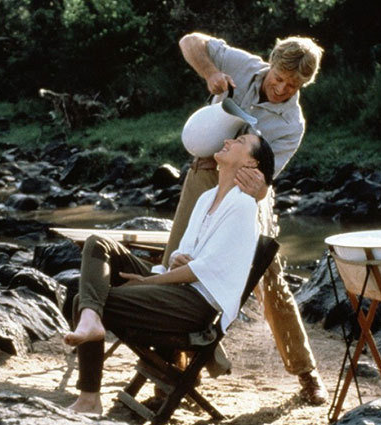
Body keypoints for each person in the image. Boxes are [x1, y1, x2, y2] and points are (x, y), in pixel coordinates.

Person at [163, 32, 328, 404]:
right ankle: (174, 373)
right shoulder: (241, 64)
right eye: (278, 78)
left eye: (292, 86)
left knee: (268, 278)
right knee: (177, 261)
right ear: (270, 63)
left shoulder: (292, 124)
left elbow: (264, 182)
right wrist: (210, 72)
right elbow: (189, 42)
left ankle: (306, 372)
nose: (281, 89)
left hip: (248, 192)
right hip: (204, 172)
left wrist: (256, 190)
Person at [64, 132, 274, 414]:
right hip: (174, 286)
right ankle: (91, 320)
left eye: (239, 142)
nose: (227, 141)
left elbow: (204, 270)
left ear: (250, 163)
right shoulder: (207, 197)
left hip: (195, 305)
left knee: (84, 300)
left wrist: (151, 280)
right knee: (98, 244)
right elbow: (182, 254)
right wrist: (174, 260)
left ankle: (89, 398)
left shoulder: (243, 206)